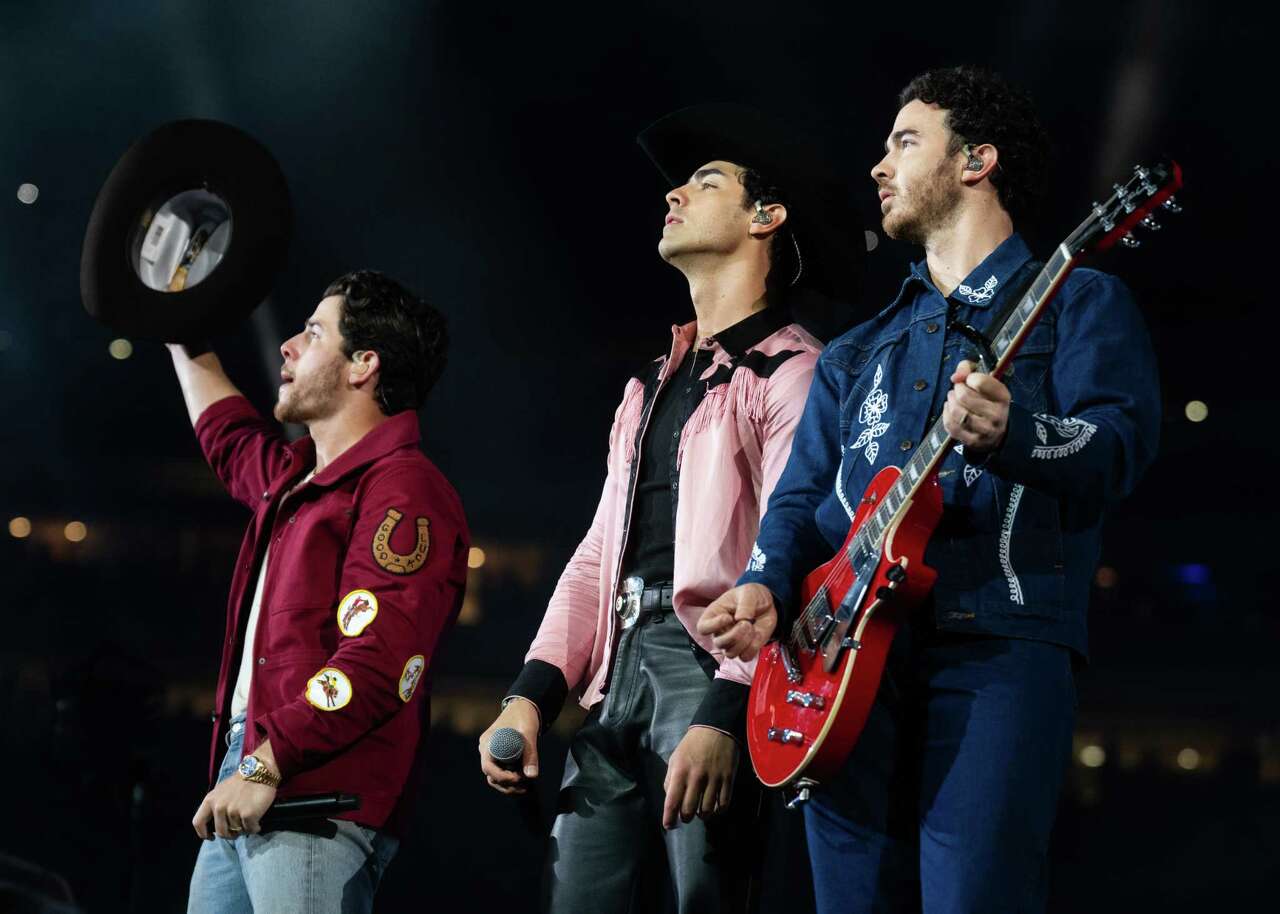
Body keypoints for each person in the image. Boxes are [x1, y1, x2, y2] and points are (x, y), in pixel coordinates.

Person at [700, 66, 1162, 913]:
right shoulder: (855, 353)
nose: (879, 165)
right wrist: (766, 582)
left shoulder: (1080, 300)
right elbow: (799, 505)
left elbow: (1121, 451)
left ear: (977, 161)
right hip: (838, 671)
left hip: (1000, 649)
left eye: (905, 143)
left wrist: (1015, 435)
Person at [477, 104, 864, 913]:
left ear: (767, 216)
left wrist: (727, 712)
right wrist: (532, 693)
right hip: (616, 672)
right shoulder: (650, 385)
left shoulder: (795, 376)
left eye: (705, 181)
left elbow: (795, 555)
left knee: (709, 897)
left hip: (710, 667)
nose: (674, 195)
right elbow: (598, 554)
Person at [174, 271, 469, 914]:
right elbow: (228, 439)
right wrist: (178, 333)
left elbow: (378, 663)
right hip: (252, 778)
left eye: (312, 333)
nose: (287, 346)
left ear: (365, 364)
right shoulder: (297, 483)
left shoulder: (402, 488)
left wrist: (265, 763)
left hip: (313, 798)